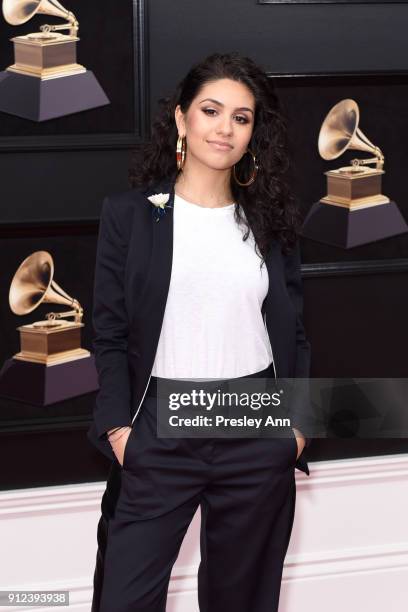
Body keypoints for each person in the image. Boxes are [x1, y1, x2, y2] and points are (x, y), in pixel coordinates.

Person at [87, 51, 312, 612]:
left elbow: (296, 331)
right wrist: (120, 427)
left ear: (253, 133)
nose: (226, 127)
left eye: (242, 117)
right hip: (161, 421)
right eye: (212, 110)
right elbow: (109, 332)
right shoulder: (131, 214)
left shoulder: (270, 221)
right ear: (182, 119)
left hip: (254, 416)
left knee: (242, 599)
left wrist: (299, 426)